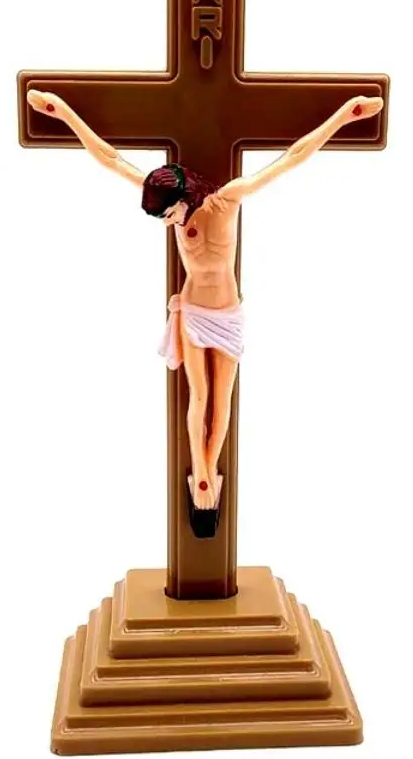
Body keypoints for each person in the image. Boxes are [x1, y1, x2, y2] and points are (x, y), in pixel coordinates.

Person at [26, 89, 384, 512]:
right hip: (194, 311)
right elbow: (111, 158)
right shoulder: (169, 205)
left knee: (222, 400)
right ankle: (201, 474)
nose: (169, 224)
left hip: (227, 314)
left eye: (169, 216)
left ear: (183, 199)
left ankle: (209, 470)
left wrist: (345, 116)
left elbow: (291, 158)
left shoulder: (227, 200)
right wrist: (62, 112)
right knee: (199, 394)